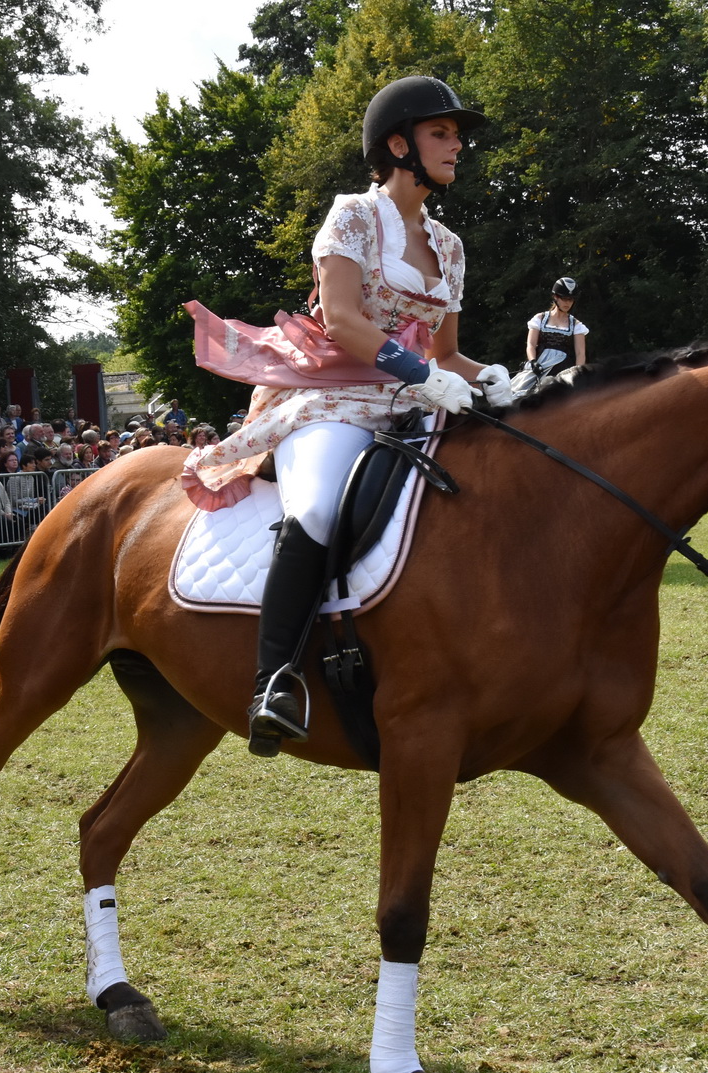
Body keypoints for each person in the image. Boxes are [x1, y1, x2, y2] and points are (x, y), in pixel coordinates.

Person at [179, 75, 506, 755]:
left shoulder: (450, 246)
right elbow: (344, 320)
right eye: (441, 134)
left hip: (409, 400)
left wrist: (495, 375)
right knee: (320, 511)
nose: (457, 147)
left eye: (457, 136)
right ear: (398, 144)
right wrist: (424, 374)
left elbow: (446, 352)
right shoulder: (353, 215)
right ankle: (275, 680)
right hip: (329, 398)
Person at [524, 277, 589, 379]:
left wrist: (577, 374)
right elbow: (531, 344)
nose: (567, 303)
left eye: (570, 299)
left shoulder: (577, 325)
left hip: (564, 370)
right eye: (564, 299)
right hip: (540, 366)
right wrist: (533, 361)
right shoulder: (539, 319)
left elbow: (580, 353)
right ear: (555, 297)